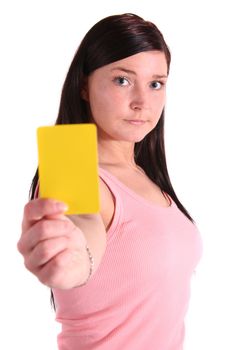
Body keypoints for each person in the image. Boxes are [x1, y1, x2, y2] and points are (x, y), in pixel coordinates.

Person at [17, 13, 202, 350]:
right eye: (122, 80)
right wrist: (71, 260)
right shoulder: (71, 166)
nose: (142, 102)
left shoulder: (148, 176)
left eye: (156, 83)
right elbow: (82, 228)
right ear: (84, 86)